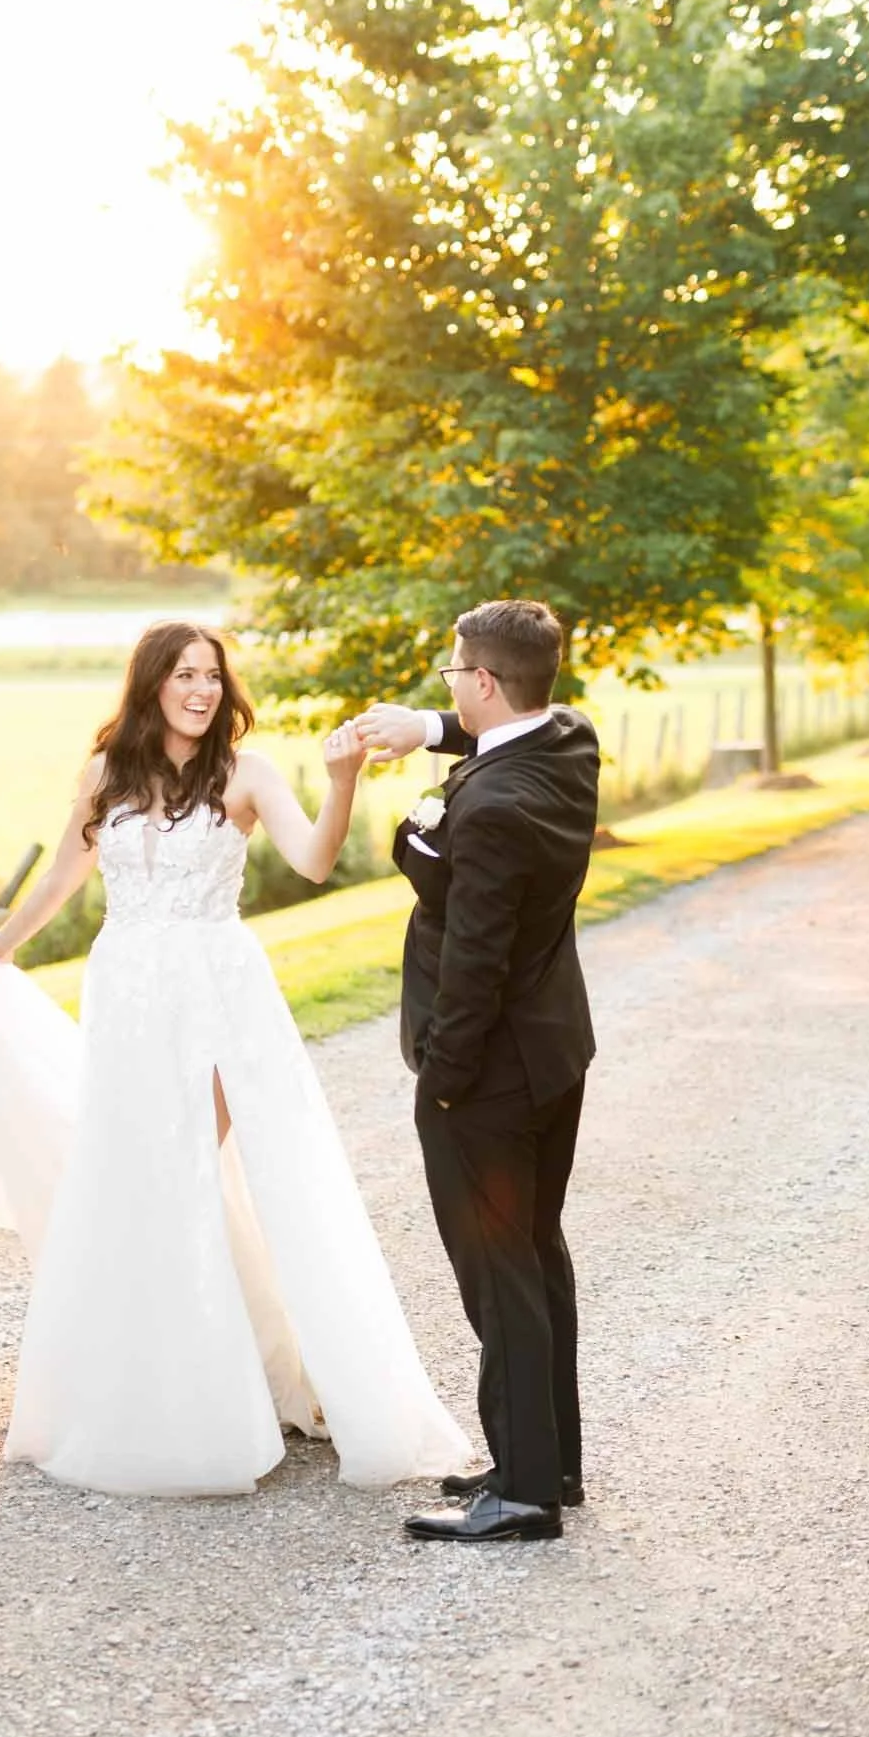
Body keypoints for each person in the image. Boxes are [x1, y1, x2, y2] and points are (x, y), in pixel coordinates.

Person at [0, 619, 471, 1498]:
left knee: (187, 1174)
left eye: (212, 675)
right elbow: (64, 876)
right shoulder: (106, 774)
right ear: (151, 686)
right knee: (138, 1177)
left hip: (218, 992)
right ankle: (147, 1385)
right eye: (183, 676)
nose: (202, 691)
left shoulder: (247, 774)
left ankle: (224, 1396)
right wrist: (0, 947)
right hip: (128, 992)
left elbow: (315, 862)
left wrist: (342, 778)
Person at [356, 599, 600, 1544]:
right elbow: (486, 730)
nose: (449, 686)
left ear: (487, 681)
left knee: (499, 1277)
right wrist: (423, 730)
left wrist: (441, 1077)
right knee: (534, 1257)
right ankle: (548, 1461)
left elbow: (475, 965)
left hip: (488, 1076)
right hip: (553, 1055)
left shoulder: (492, 807)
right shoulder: (568, 743)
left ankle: (525, 1498)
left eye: (455, 674)